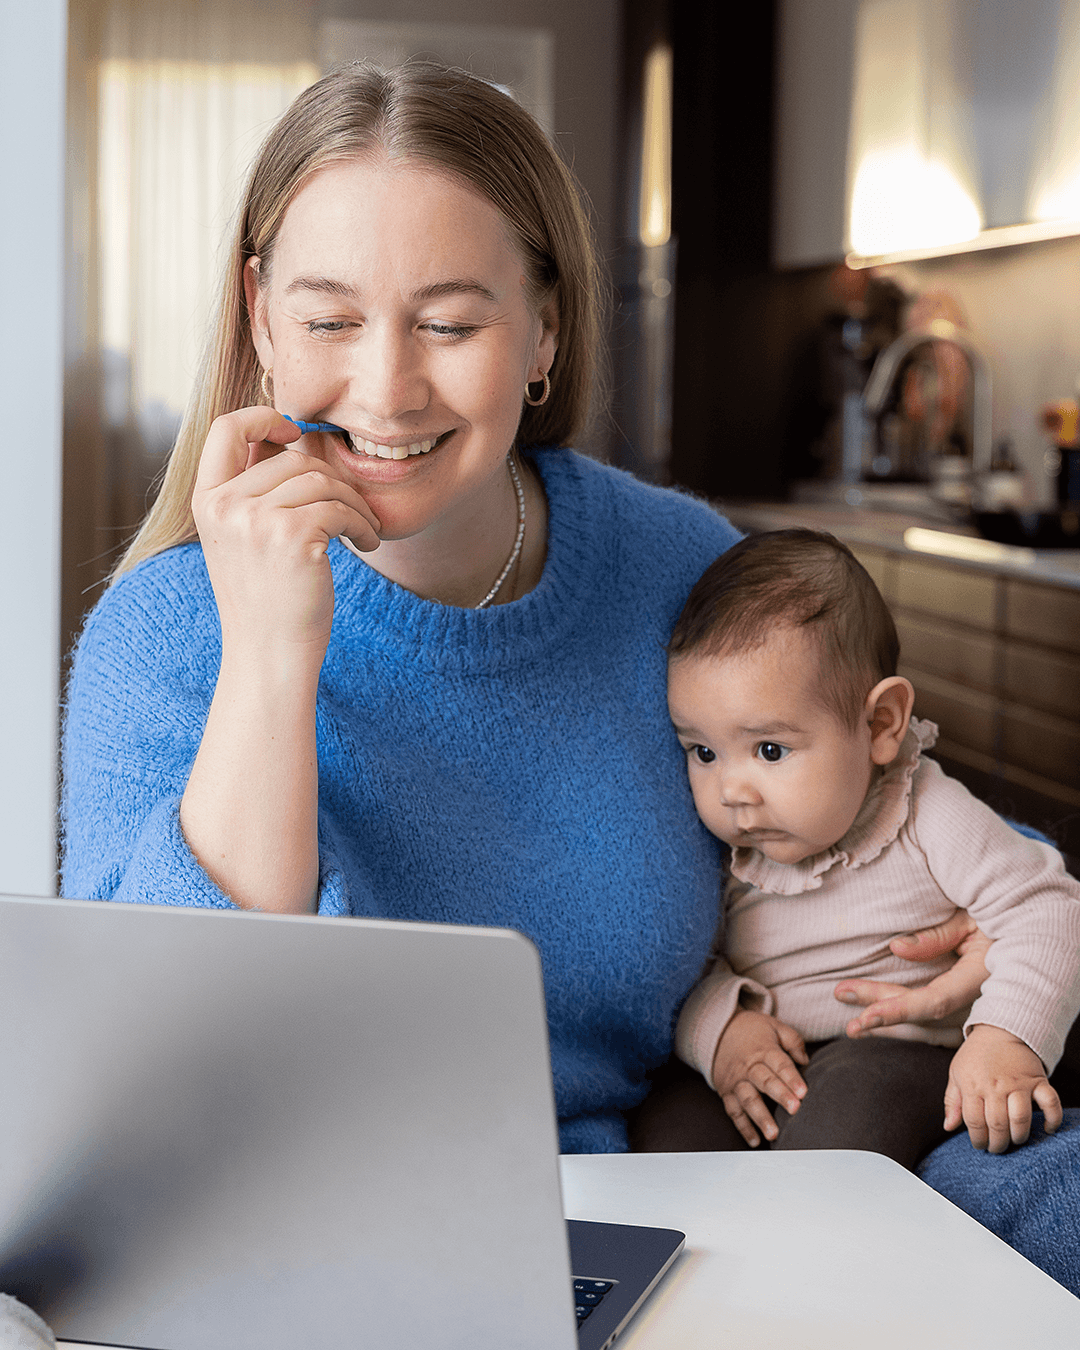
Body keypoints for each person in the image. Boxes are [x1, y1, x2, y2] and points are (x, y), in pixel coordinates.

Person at [60, 62, 1070, 1260]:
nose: (385, 388)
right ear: (261, 319)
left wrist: (984, 930)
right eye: (331, 319)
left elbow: (883, 800)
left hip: (669, 1189)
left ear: (543, 331)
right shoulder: (164, 635)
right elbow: (170, 1059)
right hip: (308, 1233)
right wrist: (273, 652)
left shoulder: (677, 567)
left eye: (449, 322)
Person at [661, 529, 1080, 1167]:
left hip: (898, 1049)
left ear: (880, 724)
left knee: (848, 1120)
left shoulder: (927, 814)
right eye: (703, 751)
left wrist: (1004, 1039)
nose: (731, 791)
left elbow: (1050, 909)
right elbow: (682, 963)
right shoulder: (729, 847)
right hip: (775, 1052)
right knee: (666, 1133)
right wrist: (721, 1031)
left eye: (770, 750)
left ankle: (814, 1254)